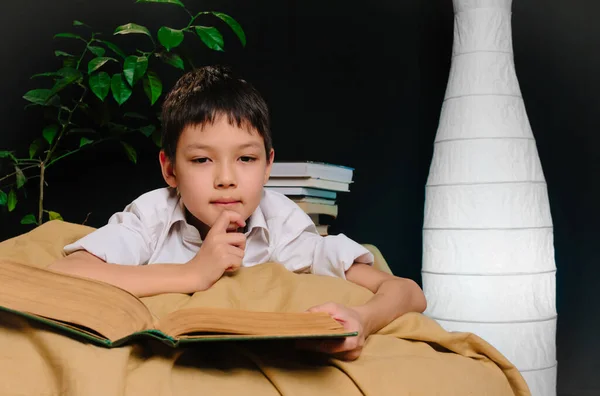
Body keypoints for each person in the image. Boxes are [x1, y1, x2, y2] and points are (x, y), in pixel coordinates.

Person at [48, 65, 426, 361]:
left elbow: (406, 291)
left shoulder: (281, 222)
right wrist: (192, 273)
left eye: (246, 158)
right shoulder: (153, 214)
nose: (226, 179)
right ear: (169, 169)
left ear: (267, 166)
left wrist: (363, 320)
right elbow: (67, 273)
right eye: (201, 159)